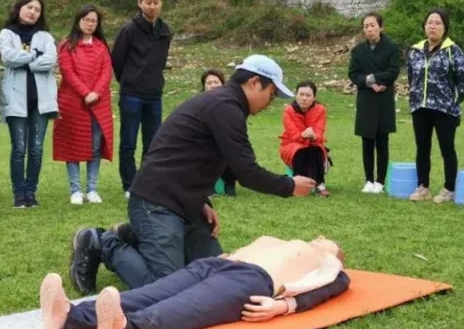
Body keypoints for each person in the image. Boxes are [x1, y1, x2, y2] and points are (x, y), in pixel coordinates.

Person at [68, 55, 317, 295]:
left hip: (185, 206)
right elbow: (246, 171)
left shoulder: (226, 105)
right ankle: (103, 242)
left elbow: (191, 157)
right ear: (254, 83)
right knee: (165, 289)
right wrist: (289, 185)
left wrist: (201, 202)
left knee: (218, 275)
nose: (269, 103)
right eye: (271, 94)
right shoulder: (225, 106)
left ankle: (133, 235)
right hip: (156, 203)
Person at [41, 236, 350, 329]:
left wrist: (284, 305)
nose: (323, 238)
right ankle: (71, 317)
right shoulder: (282, 240)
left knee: (182, 308)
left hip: (252, 281)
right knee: (148, 293)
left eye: (331, 242)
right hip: (216, 264)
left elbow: (329, 288)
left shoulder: (329, 266)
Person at [0, 0, 58, 209]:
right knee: (19, 149)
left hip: (41, 101)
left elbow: (51, 60)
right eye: (29, 7)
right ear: (19, 8)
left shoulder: (45, 36)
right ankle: (18, 193)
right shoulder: (6, 33)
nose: (32, 12)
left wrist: (28, 62)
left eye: (37, 9)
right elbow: (8, 58)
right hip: (16, 99)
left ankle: (31, 191)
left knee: (37, 148)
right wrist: (34, 56)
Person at [111, 0, 172, 197]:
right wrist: (129, 81)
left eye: (156, 2)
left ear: (161, 3)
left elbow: (161, 61)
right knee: (128, 142)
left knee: (153, 143)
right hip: (131, 94)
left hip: (154, 94)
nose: (152, 6)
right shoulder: (129, 30)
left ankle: (147, 183)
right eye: (148, 2)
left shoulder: (165, 31)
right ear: (140, 3)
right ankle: (129, 184)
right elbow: (117, 61)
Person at [405, 9, 464, 204]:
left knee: (447, 148)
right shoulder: (415, 51)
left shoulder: (454, 51)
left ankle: (449, 188)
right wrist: (414, 97)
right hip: (420, 107)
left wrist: (452, 102)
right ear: (424, 26)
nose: (433, 26)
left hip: (445, 110)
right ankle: (423, 187)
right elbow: (411, 78)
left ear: (445, 27)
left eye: (438, 23)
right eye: (430, 22)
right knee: (422, 148)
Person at [54, 5, 114, 206]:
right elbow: (67, 72)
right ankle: (76, 190)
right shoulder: (66, 45)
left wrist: (95, 93)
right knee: (73, 146)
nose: (90, 24)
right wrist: (85, 93)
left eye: (94, 21)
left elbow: (107, 72)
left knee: (95, 146)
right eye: (86, 19)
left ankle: (92, 188)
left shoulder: (101, 46)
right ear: (78, 21)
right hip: (73, 103)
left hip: (98, 103)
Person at [348, 13, 400, 194]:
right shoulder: (358, 51)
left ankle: (380, 181)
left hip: (384, 98)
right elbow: (353, 74)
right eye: (366, 26)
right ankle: (369, 179)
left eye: (372, 25)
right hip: (366, 98)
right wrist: (370, 82)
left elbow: (393, 71)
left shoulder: (392, 47)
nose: (369, 29)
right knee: (367, 140)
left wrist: (378, 80)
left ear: (380, 27)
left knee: (382, 140)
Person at [279, 81, 330, 196]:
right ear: (296, 95)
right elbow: (292, 134)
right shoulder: (288, 111)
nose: (304, 98)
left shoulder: (320, 110)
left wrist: (314, 136)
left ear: (314, 97)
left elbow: (319, 132)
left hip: (313, 143)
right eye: (301, 94)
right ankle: (297, 186)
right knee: (301, 151)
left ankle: (320, 185)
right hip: (291, 144)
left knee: (316, 150)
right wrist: (302, 135)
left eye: (308, 95)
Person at [202, 69, 237, 197]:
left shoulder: (231, 103)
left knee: (232, 149)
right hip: (205, 143)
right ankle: (208, 186)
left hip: (226, 141)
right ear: (204, 87)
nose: (213, 85)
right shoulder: (198, 104)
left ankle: (230, 183)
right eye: (209, 83)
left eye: (216, 82)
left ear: (222, 84)